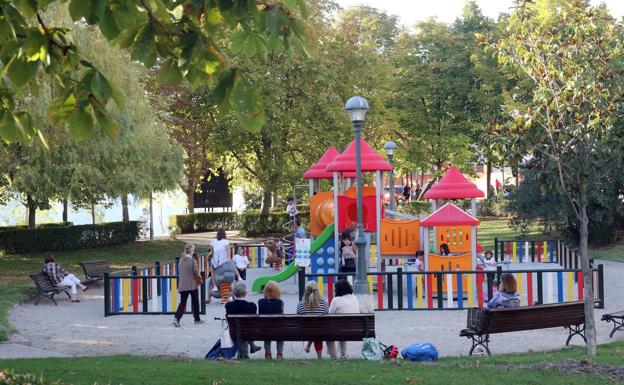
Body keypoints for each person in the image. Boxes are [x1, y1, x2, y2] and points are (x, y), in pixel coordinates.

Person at [225, 282, 262, 358]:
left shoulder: (229, 305)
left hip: (233, 331)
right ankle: (248, 351)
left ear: (234, 293)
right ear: (245, 293)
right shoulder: (252, 306)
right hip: (248, 332)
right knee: (245, 329)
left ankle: (244, 352)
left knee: (241, 329)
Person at [296, 281, 331, 359]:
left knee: (313, 328)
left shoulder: (300, 304)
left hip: (304, 331)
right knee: (317, 329)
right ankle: (319, 357)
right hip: (320, 331)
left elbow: (298, 319)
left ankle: (308, 346)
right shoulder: (324, 304)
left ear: (306, 291)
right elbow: (327, 320)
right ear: (317, 290)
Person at [173, 244, 204, 327]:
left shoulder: (181, 260)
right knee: (195, 302)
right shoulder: (192, 261)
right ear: (191, 251)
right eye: (193, 250)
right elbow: (196, 272)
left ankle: (177, 318)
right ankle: (197, 319)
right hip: (192, 284)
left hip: (183, 285)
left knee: (182, 303)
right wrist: (201, 279)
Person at [328, 279, 360, 358]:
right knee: (343, 326)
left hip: (340, 329)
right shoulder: (354, 298)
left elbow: (329, 315)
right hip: (356, 330)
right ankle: (343, 354)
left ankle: (333, 355)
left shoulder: (335, 300)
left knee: (328, 333)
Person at [211, 228, 241, 303]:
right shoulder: (226, 241)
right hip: (225, 261)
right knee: (233, 266)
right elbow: (228, 251)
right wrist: (229, 260)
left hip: (217, 263)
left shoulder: (213, 241)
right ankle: (239, 277)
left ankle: (214, 285)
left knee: (212, 270)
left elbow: (212, 251)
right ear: (224, 234)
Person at [258, 281, 284, 359]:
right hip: (278, 330)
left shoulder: (260, 302)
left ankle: (267, 353)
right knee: (280, 334)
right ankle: (279, 354)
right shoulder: (280, 303)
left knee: (267, 331)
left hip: (265, 329)